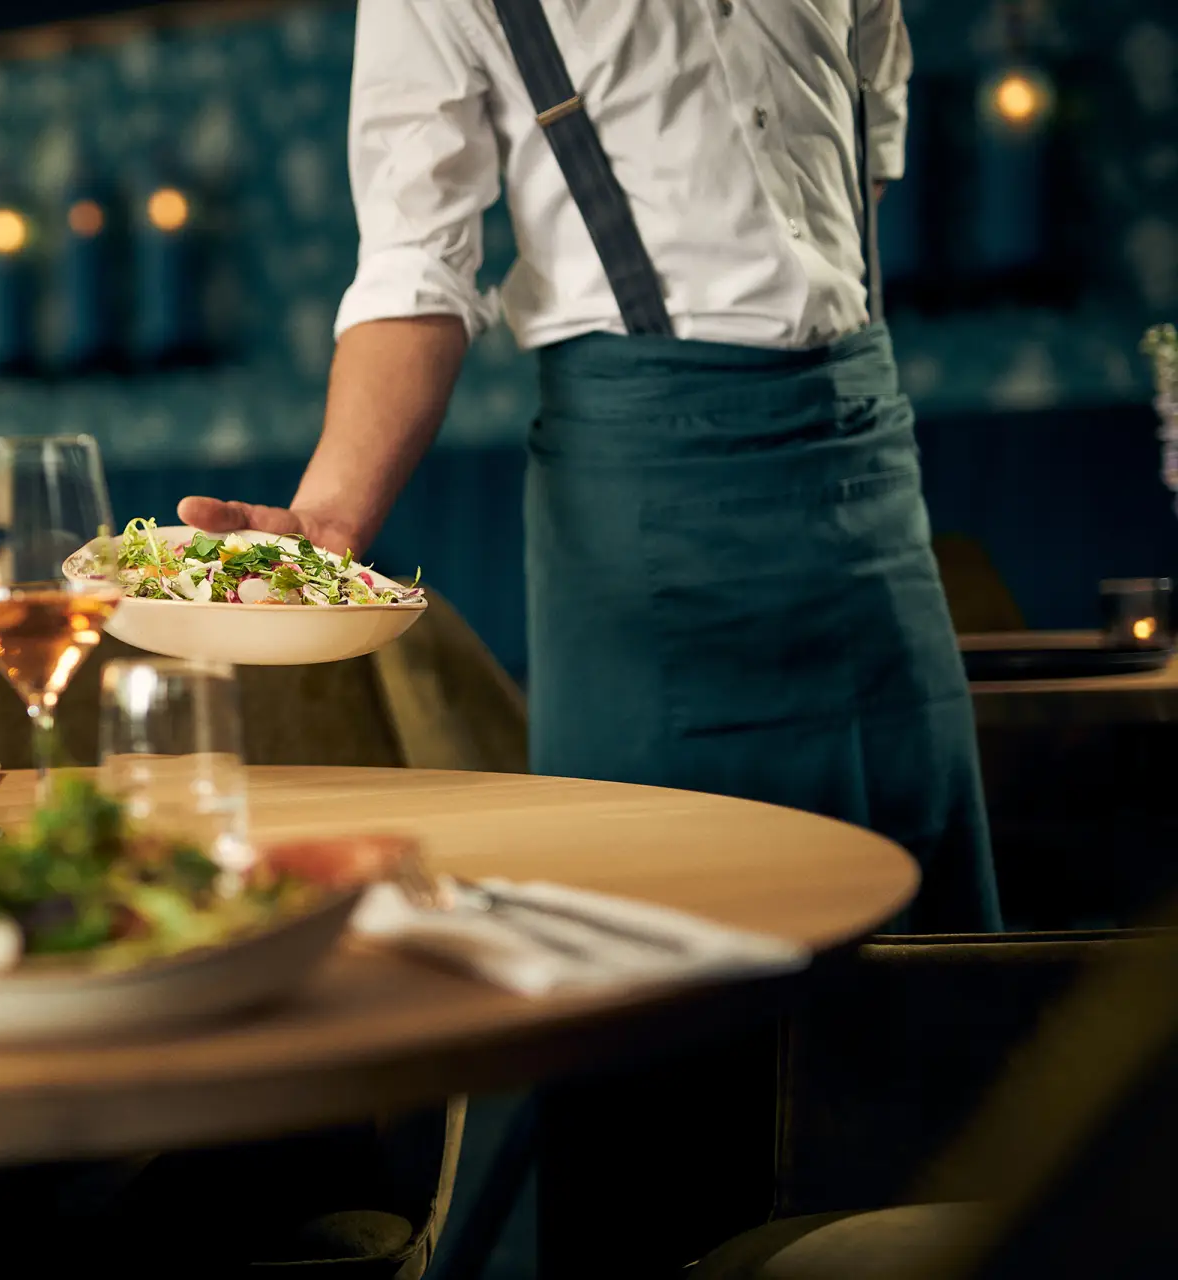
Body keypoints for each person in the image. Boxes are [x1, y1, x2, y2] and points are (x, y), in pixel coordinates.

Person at [182, 0, 1001, 932]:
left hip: (865, 462)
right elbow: (416, 264)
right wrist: (330, 514)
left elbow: (868, 143)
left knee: (919, 899)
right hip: (645, 487)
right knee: (660, 916)